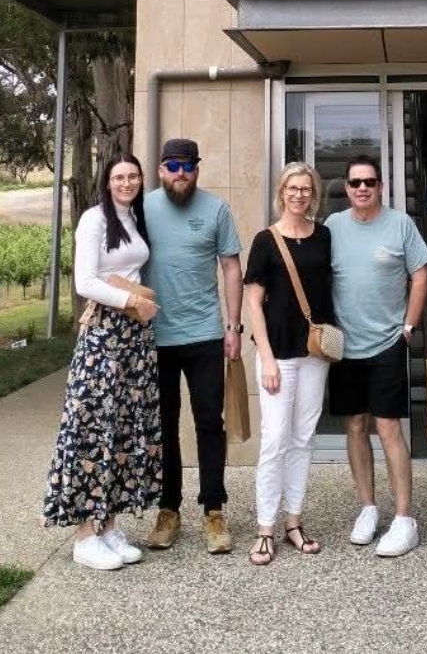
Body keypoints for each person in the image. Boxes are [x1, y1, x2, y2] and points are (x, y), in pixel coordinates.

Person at [43, 154, 162, 570]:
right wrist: (133, 300)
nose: (126, 182)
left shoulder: (134, 217)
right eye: (118, 177)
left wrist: (138, 306)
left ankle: (108, 527)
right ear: (107, 182)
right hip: (104, 333)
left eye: (132, 176)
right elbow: (85, 281)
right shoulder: (95, 219)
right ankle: (83, 536)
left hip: (133, 337)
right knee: (92, 427)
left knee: (124, 431)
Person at [142, 137, 243, 555]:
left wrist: (233, 326)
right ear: (161, 169)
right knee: (164, 425)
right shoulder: (141, 207)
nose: (180, 173)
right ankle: (169, 509)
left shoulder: (216, 209)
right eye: (172, 166)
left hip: (204, 334)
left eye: (188, 166)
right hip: (154, 337)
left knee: (208, 423)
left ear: (197, 169)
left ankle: (214, 511)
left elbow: (232, 267)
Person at [327, 155, 427, 557]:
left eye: (369, 182)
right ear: (347, 188)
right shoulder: (333, 227)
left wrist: (409, 327)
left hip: (389, 341)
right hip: (345, 346)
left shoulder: (400, 224)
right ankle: (368, 508)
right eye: (355, 183)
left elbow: (421, 273)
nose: (362, 188)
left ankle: (405, 518)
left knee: (388, 428)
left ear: (381, 185)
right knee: (355, 426)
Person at [244, 161, 334, 565]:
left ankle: (294, 522)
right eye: (292, 188)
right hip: (278, 353)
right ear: (282, 192)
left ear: (313, 194)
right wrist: (265, 358)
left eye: (306, 189)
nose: (299, 194)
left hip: (315, 353)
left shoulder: (325, 236)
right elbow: (253, 303)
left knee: (303, 438)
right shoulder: (266, 240)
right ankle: (265, 528)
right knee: (275, 439)